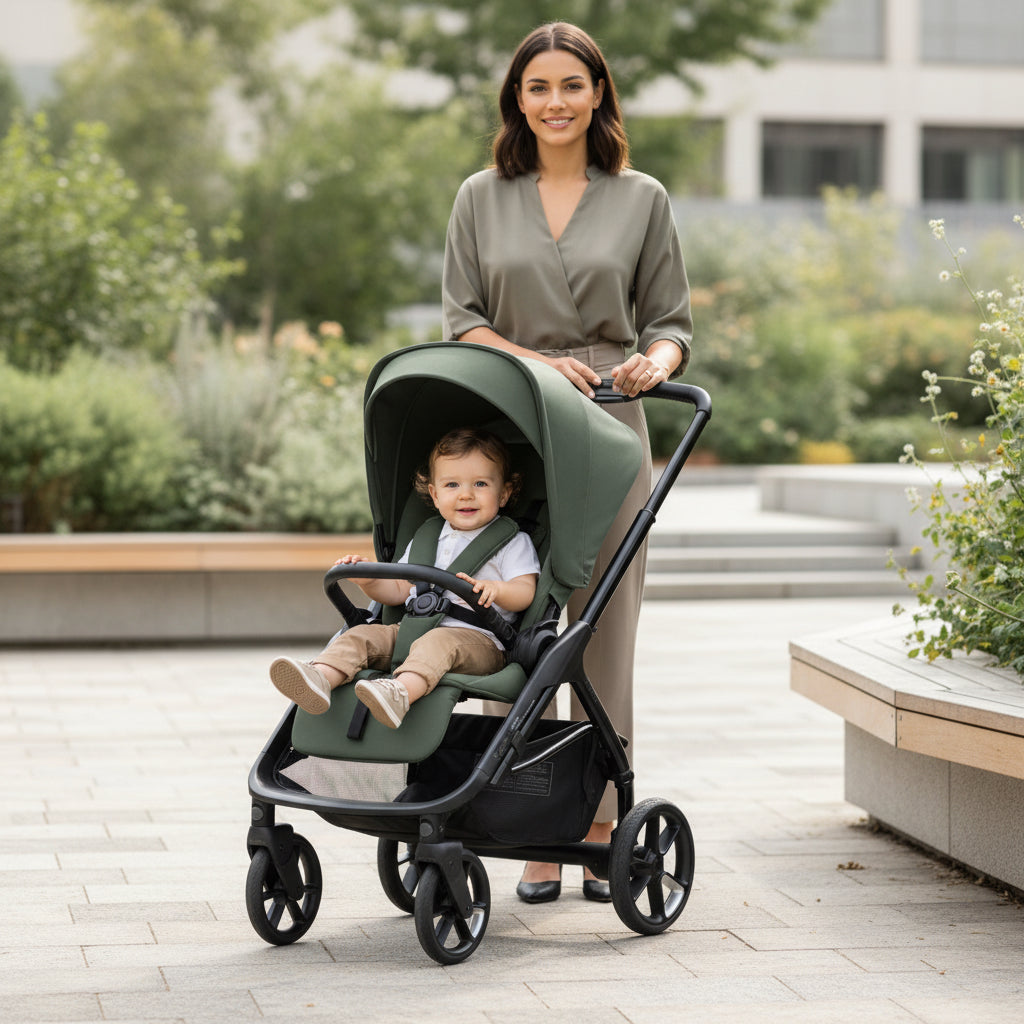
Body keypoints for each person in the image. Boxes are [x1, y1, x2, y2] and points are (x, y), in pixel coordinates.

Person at [441, 22, 693, 902]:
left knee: (603, 629)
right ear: (517, 98)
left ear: (598, 95)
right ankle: (519, 824)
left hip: (612, 429)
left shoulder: (641, 197)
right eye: (539, 86)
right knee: (506, 622)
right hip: (510, 428)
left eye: (572, 85)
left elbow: (671, 324)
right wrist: (537, 361)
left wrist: (655, 362)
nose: (556, 102)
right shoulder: (480, 196)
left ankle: (598, 820)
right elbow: (463, 322)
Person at [270, 428, 540, 729]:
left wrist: (497, 589)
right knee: (363, 635)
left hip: (480, 642)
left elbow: (525, 591)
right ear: (435, 494)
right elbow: (400, 589)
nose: (466, 494)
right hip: (413, 630)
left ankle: (400, 693)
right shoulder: (427, 538)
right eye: (452, 484)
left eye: (480, 483)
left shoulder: (512, 542)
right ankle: (321, 677)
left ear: (503, 493)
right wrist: (369, 581)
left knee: (439, 642)